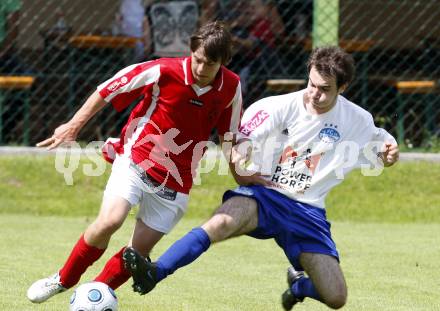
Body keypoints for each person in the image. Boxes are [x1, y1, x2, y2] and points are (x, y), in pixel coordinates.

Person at [122, 46, 400, 310]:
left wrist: (389, 154)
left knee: (337, 297)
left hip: (308, 212)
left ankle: (299, 286)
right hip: (266, 194)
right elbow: (243, 136)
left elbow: (383, 148)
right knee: (220, 222)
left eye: (325, 89)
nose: (314, 93)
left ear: (343, 88)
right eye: (312, 84)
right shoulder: (279, 106)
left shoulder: (357, 120)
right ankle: (155, 272)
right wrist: (241, 154)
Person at [27, 21, 267, 304]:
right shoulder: (163, 69)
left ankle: (93, 296)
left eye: (210, 64)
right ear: (191, 52)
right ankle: (63, 279)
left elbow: (229, 137)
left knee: (136, 254)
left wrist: (240, 174)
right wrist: (73, 125)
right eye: (198, 60)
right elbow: (108, 89)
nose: (201, 69)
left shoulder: (232, 87)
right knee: (109, 221)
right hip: (136, 160)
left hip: (178, 179)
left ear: (224, 61)